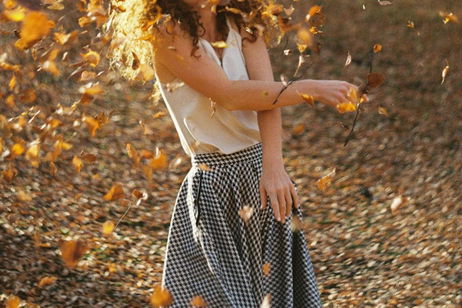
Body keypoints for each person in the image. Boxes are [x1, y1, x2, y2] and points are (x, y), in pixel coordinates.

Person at [106, 0, 366, 307]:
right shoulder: (166, 32)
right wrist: (310, 87)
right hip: (214, 185)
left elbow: (267, 98)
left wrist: (274, 168)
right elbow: (229, 95)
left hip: (263, 179)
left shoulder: (243, 24)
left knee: (276, 297)